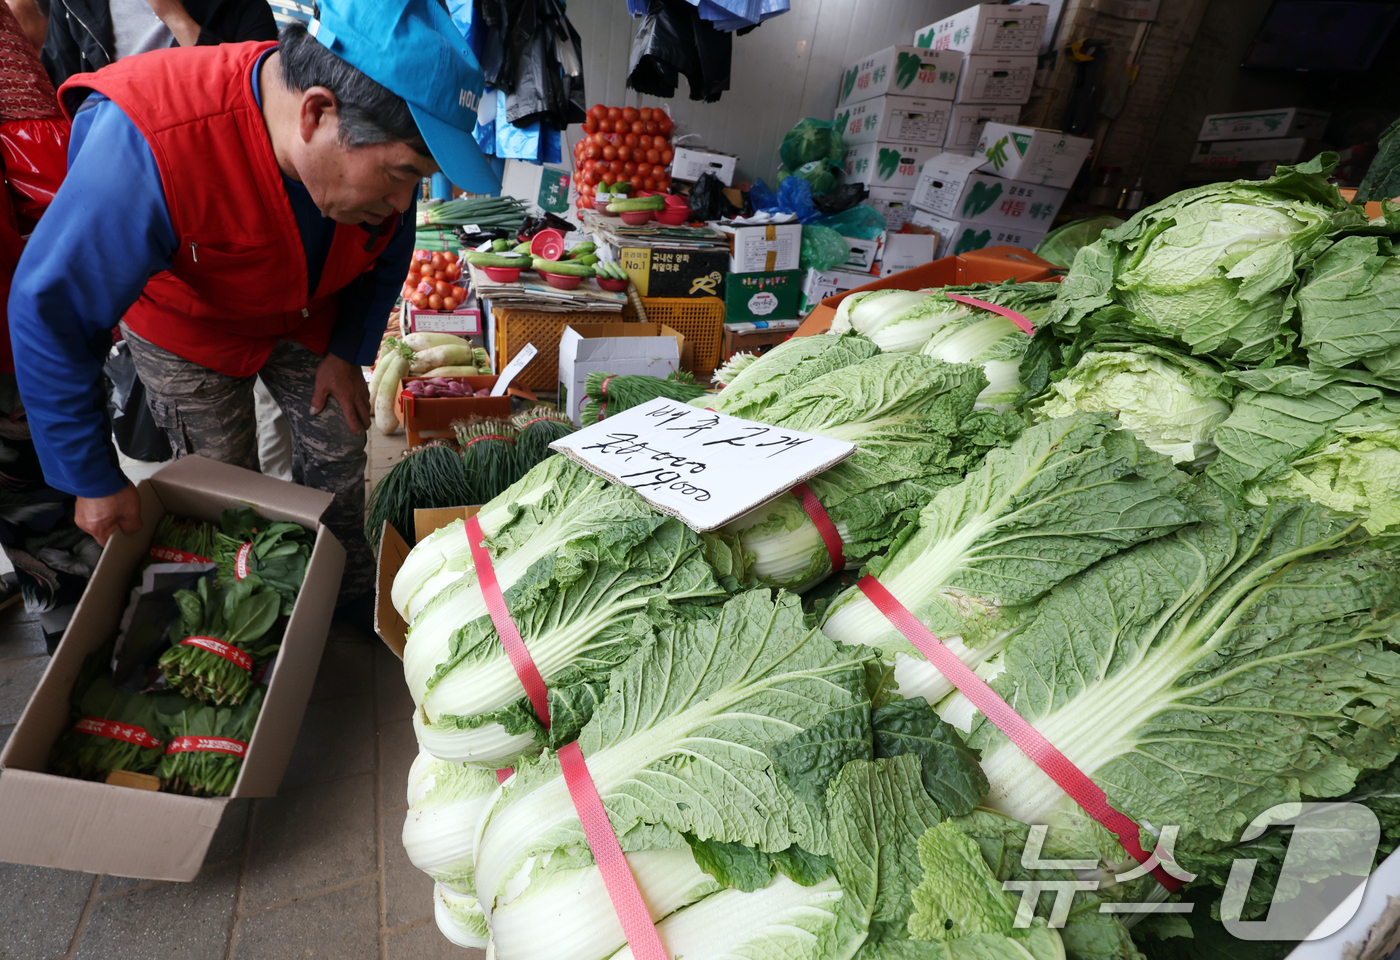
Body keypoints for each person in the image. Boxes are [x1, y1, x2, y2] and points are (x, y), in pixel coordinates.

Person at [8, 0, 500, 623]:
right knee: (224, 498)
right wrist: (91, 477)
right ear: (318, 112)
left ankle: (341, 601)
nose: (404, 202)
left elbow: (384, 257)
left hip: (308, 313)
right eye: (401, 174)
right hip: (192, 328)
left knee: (341, 448)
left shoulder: (377, 190)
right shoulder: (150, 142)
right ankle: (251, 627)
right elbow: (50, 309)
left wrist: (346, 351)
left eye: (418, 183)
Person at [40, 0, 277, 88]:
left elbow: (256, 105)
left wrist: (177, 19)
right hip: (112, 157)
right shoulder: (74, 5)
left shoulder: (243, 7)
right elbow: (61, 90)